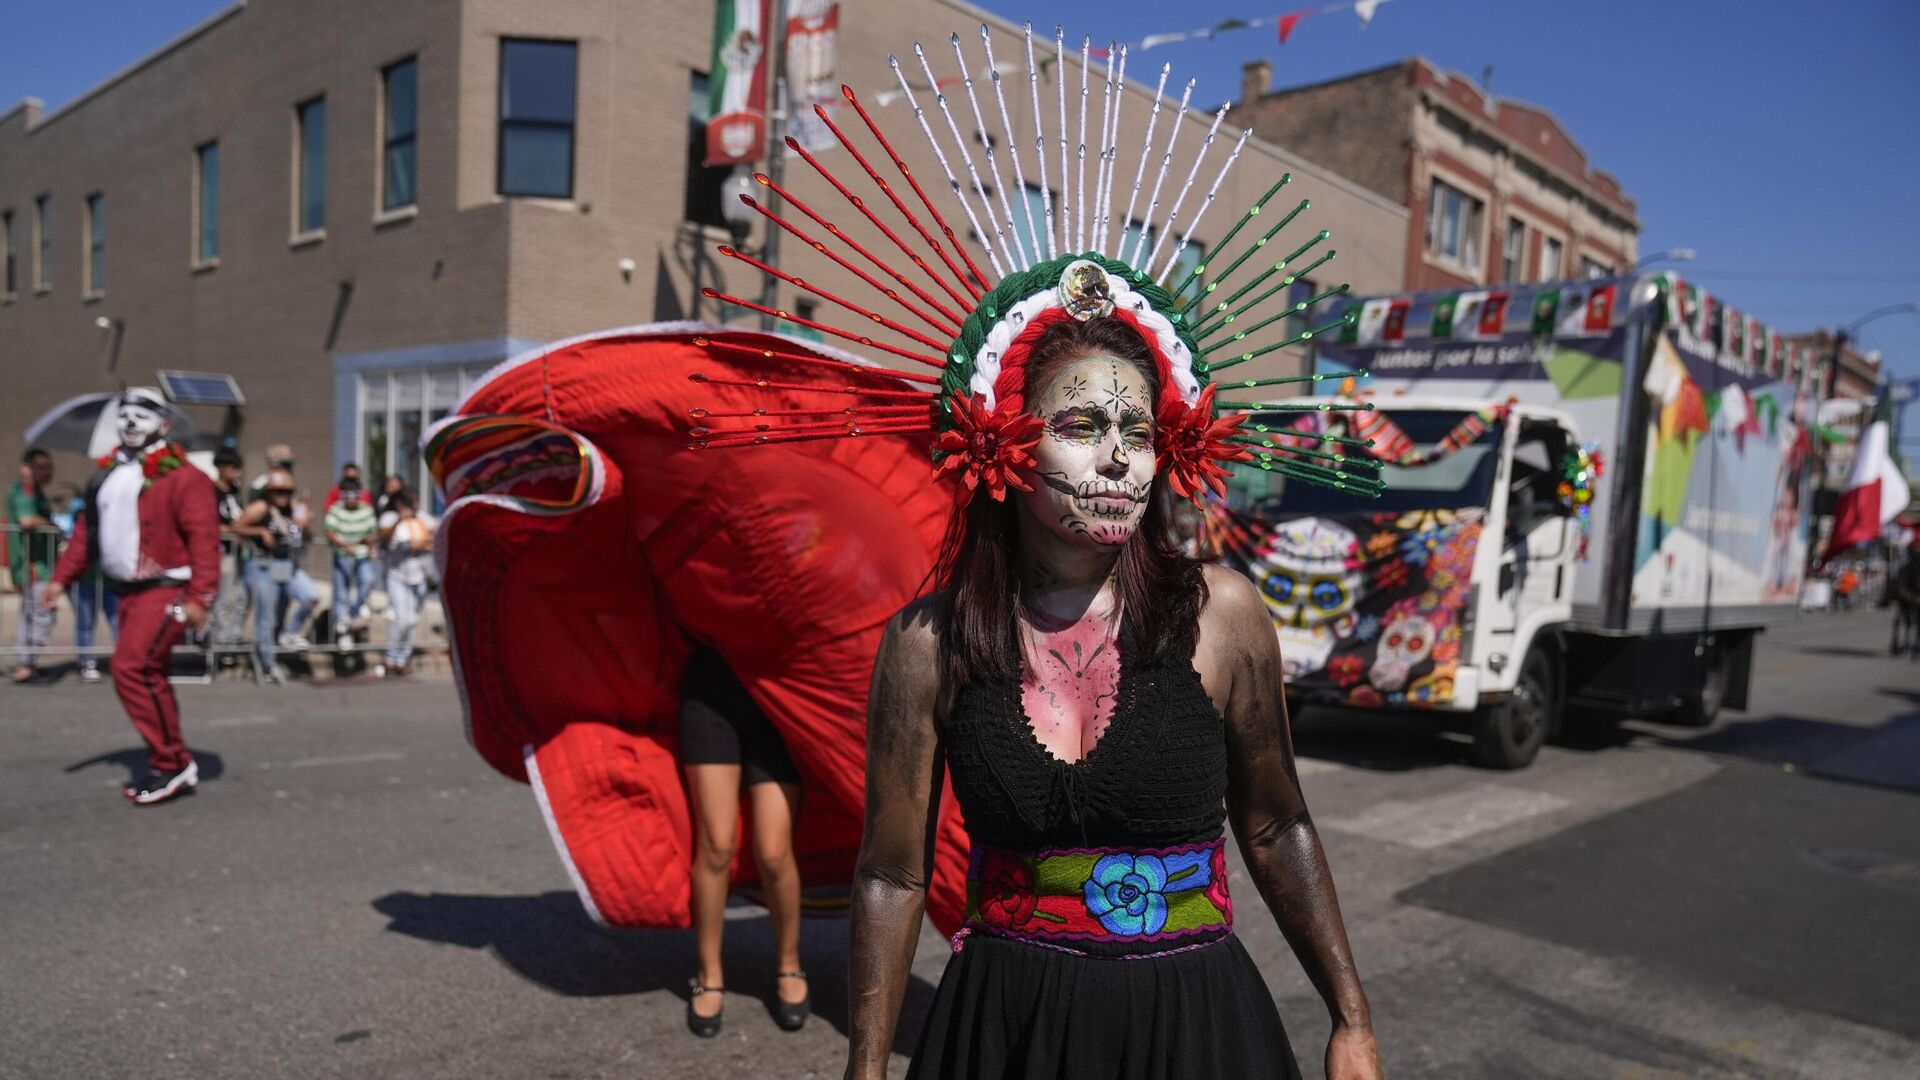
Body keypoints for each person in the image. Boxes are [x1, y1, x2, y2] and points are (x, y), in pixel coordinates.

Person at [41, 388, 220, 804]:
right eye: (125, 415)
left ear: (164, 424)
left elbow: (205, 539)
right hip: (128, 592)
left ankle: (171, 762)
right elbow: (86, 534)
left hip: (167, 587)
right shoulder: (107, 474)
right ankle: (172, 758)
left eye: (143, 414)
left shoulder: (185, 477)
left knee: (132, 668)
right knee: (148, 672)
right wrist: (60, 579)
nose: (131, 422)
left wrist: (200, 596)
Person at [678, 648, 809, 1037]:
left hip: (779, 699)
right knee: (717, 845)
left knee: (774, 851)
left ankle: (789, 965)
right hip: (710, 697)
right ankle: (709, 975)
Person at [232, 467, 319, 682]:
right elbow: (236, 526)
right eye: (279, 492)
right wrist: (260, 531)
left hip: (287, 564)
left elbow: (301, 537)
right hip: (262, 565)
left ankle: (289, 634)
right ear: (269, 492)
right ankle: (267, 663)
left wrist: (305, 526)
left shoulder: (293, 509)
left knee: (309, 596)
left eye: (288, 492)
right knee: (267, 616)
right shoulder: (261, 508)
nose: (284, 496)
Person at [8, 447, 59, 683]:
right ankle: (25, 664)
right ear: (26, 469)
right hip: (33, 567)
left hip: (39, 566)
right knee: (41, 614)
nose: (47, 472)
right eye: (41, 467)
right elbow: (26, 520)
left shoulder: (36, 492)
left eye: (49, 467)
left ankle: (26, 663)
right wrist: (51, 525)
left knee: (30, 616)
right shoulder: (24, 491)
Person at [60, 488, 121, 684]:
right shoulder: (82, 515)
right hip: (85, 579)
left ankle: (125, 661)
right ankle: (86, 662)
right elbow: (75, 547)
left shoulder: (115, 515)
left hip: (110, 580)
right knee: (85, 622)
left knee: (118, 621)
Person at [210, 448, 263, 667]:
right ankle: (223, 642)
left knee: (242, 596)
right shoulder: (211, 492)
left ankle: (234, 636)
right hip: (223, 553)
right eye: (234, 468)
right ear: (221, 468)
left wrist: (241, 530)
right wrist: (234, 530)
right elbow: (212, 525)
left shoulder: (235, 491)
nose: (238, 473)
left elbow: (240, 520)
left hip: (240, 552)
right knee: (225, 598)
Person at [377, 490, 435, 676]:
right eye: (411, 502)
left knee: (411, 620)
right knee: (401, 619)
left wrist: (426, 539)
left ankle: (403, 658)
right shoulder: (391, 518)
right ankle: (391, 657)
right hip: (398, 577)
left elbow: (434, 531)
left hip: (418, 577)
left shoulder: (422, 518)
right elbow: (384, 539)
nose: (414, 506)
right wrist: (399, 520)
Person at [323, 478, 379, 639]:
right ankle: (343, 628)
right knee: (341, 592)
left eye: (354, 495)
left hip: (362, 556)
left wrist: (370, 541)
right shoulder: (335, 510)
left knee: (368, 580)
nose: (351, 499)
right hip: (342, 556)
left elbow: (373, 532)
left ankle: (351, 613)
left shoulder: (366, 510)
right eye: (346, 495)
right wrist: (344, 546)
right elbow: (329, 531)